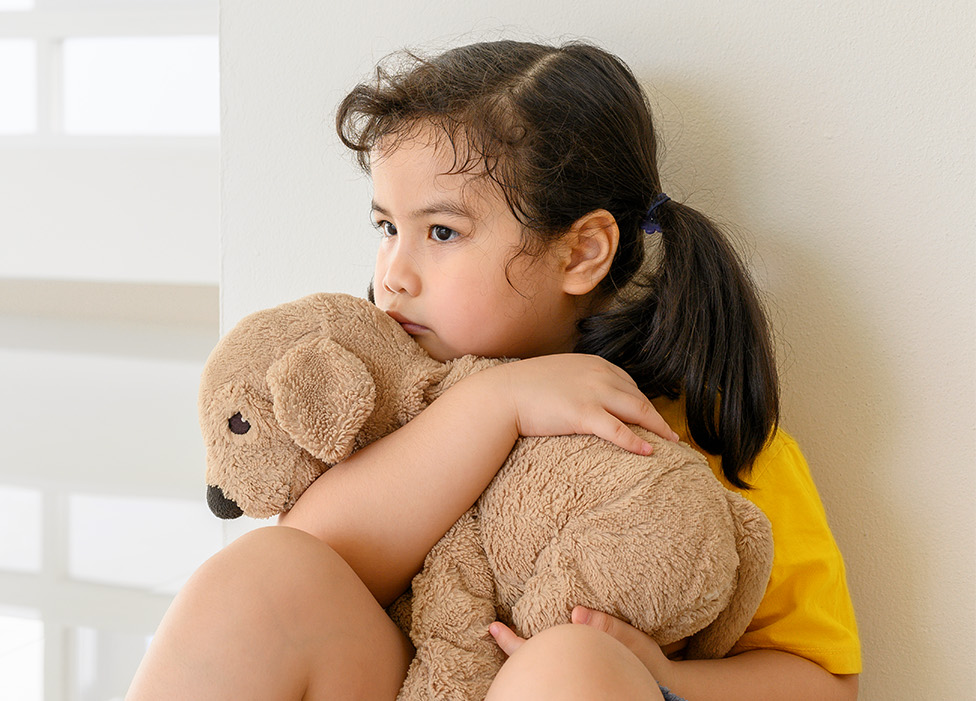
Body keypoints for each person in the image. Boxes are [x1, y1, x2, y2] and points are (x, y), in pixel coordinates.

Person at [127, 39, 860, 700]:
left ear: (580, 253)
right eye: (386, 227)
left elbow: (825, 682)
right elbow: (314, 556)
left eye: (441, 231)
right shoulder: (391, 401)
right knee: (262, 574)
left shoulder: (694, 435)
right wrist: (496, 404)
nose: (394, 274)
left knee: (566, 666)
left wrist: (664, 677)